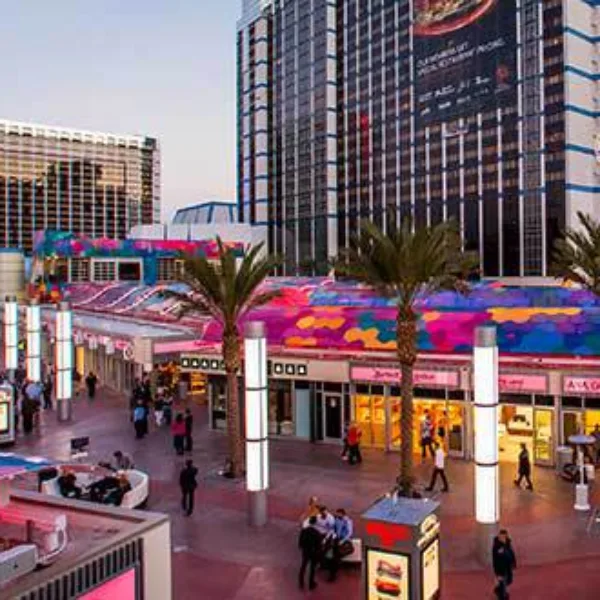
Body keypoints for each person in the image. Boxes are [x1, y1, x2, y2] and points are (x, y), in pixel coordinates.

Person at [328, 508, 354, 582]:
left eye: (338, 514)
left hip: (344, 540)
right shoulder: (336, 519)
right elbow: (333, 528)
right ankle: (333, 569)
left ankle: (332, 574)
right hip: (337, 539)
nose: (336, 515)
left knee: (336, 556)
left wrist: (342, 541)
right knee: (335, 555)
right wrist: (334, 534)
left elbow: (349, 533)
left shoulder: (347, 521)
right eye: (336, 514)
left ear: (342, 514)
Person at [298, 516, 322, 591]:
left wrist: (302, 548)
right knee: (312, 568)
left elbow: (300, 542)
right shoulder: (317, 533)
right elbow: (319, 545)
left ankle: (301, 582)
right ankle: (311, 584)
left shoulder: (304, 531)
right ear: (315, 523)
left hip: (305, 551)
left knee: (303, 566)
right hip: (314, 552)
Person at [492, 529, 516, 599]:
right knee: (503, 583)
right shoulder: (497, 546)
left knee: (507, 581)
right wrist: (497, 573)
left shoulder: (508, 543)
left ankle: (498, 590)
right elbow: (496, 560)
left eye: (504, 537)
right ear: (499, 536)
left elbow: (511, 553)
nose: (503, 538)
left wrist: (513, 563)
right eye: (501, 537)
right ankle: (502, 595)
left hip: (507, 567)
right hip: (501, 569)